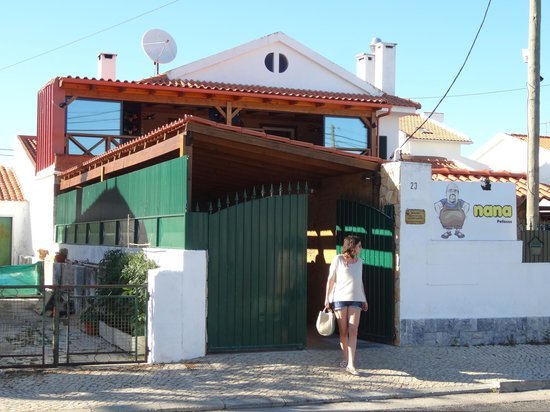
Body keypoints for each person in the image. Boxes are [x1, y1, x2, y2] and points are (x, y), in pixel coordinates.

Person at [324, 235, 368, 376]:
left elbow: (359, 282)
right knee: (343, 331)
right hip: (340, 299)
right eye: (359, 246)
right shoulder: (338, 259)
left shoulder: (360, 262)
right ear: (352, 246)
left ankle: (351, 364)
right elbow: (331, 279)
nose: (361, 248)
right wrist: (327, 298)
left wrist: (364, 299)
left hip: (356, 299)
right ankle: (345, 357)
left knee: (353, 330)